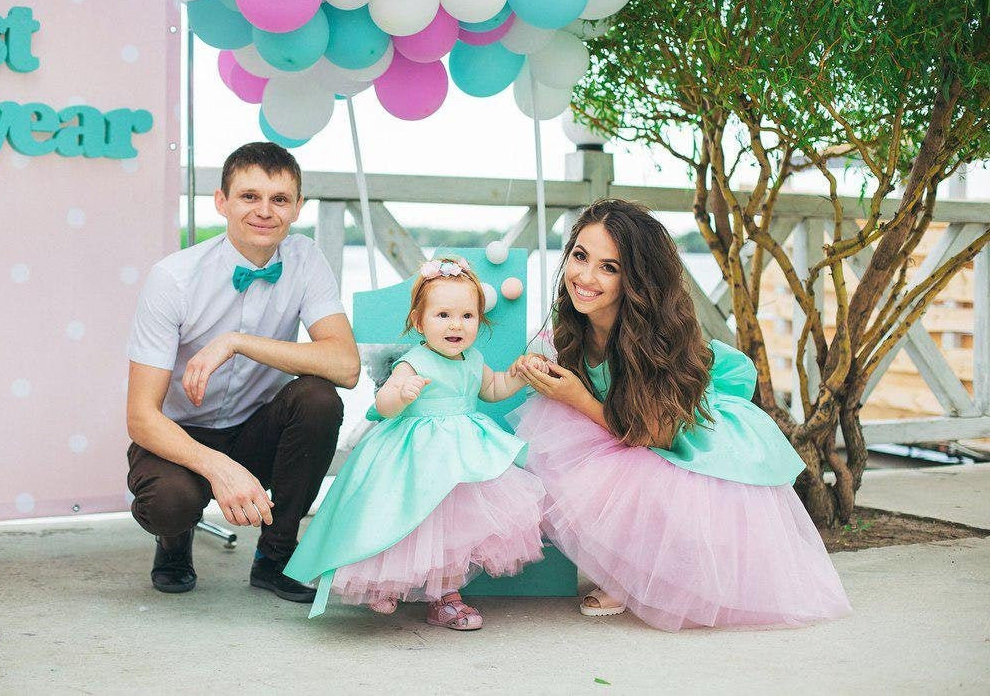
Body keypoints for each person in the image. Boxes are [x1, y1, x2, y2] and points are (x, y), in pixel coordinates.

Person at [509, 198, 852, 631]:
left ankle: (633, 576)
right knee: (557, 436)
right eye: (580, 256)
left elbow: (654, 433)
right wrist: (537, 367)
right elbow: (570, 372)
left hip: (681, 436)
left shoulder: (657, 336)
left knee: (636, 474)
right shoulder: (573, 318)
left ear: (636, 279)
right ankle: (621, 562)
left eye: (609, 267)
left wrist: (577, 397)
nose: (586, 277)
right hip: (622, 420)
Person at [125, 142, 359, 600]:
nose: (264, 211)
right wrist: (220, 469)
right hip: (179, 437)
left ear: (297, 208)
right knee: (170, 504)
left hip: (255, 428)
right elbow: (140, 417)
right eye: (250, 196)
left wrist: (237, 342)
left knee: (319, 398)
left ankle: (276, 557)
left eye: (279, 199)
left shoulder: (306, 259)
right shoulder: (173, 278)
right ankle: (174, 541)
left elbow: (346, 367)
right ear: (222, 202)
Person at [284, 257, 546, 630]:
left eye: (467, 316)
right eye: (443, 315)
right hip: (413, 457)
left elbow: (492, 389)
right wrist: (401, 394)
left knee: (451, 529)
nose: (456, 324)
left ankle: (445, 598)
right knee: (399, 516)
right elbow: (382, 404)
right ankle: (387, 582)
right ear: (419, 321)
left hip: (461, 459)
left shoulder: (474, 359)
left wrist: (518, 376)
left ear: (479, 320)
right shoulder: (413, 361)